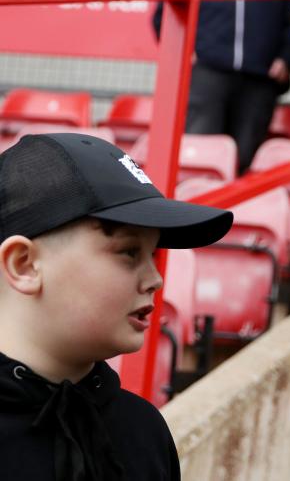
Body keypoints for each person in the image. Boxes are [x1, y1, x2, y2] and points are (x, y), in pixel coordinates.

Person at [0, 133, 234, 480]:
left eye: (153, 253)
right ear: (25, 265)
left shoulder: (143, 429)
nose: (156, 279)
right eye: (129, 253)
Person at [153, 0, 290, 174]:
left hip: (261, 76)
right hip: (208, 71)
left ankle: (234, 211)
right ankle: (196, 209)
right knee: (201, 157)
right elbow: (167, 3)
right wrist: (182, 50)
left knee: (245, 160)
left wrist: (288, 57)